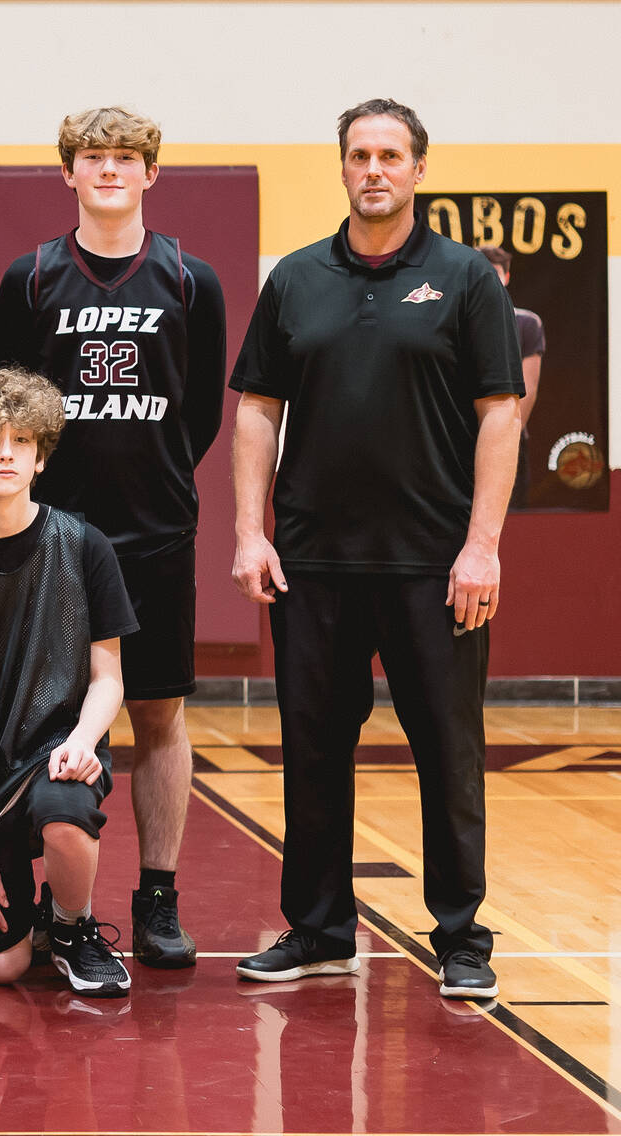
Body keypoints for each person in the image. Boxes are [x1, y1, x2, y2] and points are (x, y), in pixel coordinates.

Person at [230, 99, 521, 1000]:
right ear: (343, 166)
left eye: (391, 155)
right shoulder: (296, 280)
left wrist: (482, 545)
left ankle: (462, 938)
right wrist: (250, 530)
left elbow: (500, 414)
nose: (374, 170)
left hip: (435, 564)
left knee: (448, 751)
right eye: (360, 155)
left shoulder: (468, 279)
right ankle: (319, 930)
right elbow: (255, 410)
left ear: (419, 169)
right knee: (313, 749)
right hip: (313, 561)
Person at [0, 106, 226, 968]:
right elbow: (10, 408)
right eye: (95, 157)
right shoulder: (32, 277)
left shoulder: (191, 279)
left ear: (151, 173)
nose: (112, 170)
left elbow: (196, 417)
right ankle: (38, 887)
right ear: (69, 172)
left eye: (128, 157)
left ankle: (158, 900)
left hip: (156, 531)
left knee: (158, 715)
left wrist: (151, 472)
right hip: (50, 535)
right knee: (36, 711)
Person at [0, 367, 139, 998]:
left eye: (22, 441)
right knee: (2, 966)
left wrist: (84, 737)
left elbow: (108, 676)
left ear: (42, 457)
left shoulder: (85, 545)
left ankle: (71, 929)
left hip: (56, 753)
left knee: (66, 812)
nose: (7, 453)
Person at [477, 244, 545, 508]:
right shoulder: (453, 321)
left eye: (495, 275)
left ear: (506, 277)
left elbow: (530, 386)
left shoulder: (527, 324)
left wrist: (505, 439)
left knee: (513, 521)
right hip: (461, 442)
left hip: (510, 439)